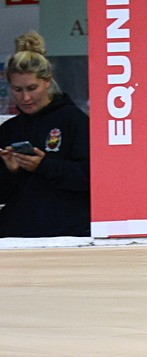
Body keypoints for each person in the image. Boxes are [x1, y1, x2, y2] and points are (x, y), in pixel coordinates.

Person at [0, 31, 90, 238]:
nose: (26, 97)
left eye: (32, 88)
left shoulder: (73, 120)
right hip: (14, 234)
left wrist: (44, 165)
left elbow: (91, 178)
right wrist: (10, 172)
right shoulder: (8, 129)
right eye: (17, 89)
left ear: (47, 81)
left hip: (67, 234)